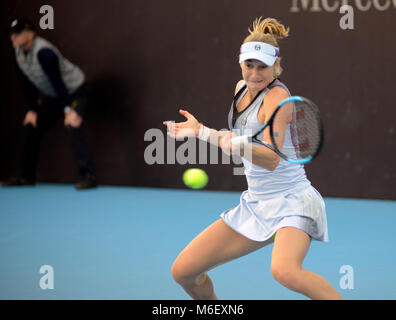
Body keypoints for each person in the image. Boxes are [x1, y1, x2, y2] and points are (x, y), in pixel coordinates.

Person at [163, 17, 343, 300]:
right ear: (240, 63)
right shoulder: (240, 90)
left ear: (276, 67)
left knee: (285, 271)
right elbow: (232, 140)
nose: (255, 74)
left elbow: (271, 158)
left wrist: (236, 144)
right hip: (256, 204)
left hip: (293, 201)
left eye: (263, 67)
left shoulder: (278, 98)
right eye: (249, 65)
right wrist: (201, 132)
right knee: (184, 272)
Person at [2, 18, 97, 189]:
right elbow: (26, 84)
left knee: (72, 124)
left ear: (30, 34)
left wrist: (68, 110)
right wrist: (32, 109)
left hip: (75, 91)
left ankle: (88, 175)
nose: (13, 38)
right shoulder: (16, 54)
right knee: (32, 124)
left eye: (17, 34)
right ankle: (25, 177)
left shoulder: (44, 52)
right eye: (11, 34)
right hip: (55, 96)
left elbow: (58, 83)